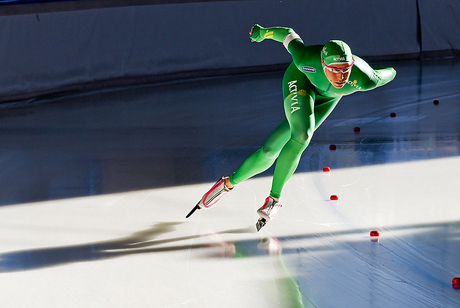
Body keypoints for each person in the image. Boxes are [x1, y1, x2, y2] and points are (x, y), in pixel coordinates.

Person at [187, 24, 397, 230]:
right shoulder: (306, 58)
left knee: (270, 150)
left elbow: (383, 75)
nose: (341, 77)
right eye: (334, 70)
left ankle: (227, 184)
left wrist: (393, 70)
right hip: (300, 82)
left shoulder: (365, 78)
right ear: (323, 65)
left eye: (345, 70)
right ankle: (274, 199)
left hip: (328, 99)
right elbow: (287, 34)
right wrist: (262, 33)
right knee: (303, 134)